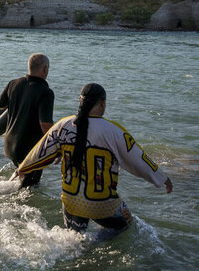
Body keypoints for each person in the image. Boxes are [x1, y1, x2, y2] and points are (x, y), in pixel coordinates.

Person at [15, 83, 173, 233]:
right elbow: (138, 159)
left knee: (74, 238)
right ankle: (97, 242)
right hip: (103, 204)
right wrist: (161, 178)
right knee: (127, 224)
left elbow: (40, 151)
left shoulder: (62, 125)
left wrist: (23, 168)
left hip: (72, 202)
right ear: (102, 103)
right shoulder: (114, 131)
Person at [0, 53, 54, 189]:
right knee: (30, 189)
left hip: (10, 146)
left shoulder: (13, 84)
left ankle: (18, 177)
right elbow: (45, 124)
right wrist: (57, 144)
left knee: (25, 180)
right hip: (30, 151)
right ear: (45, 69)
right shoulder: (46, 92)